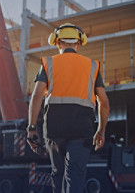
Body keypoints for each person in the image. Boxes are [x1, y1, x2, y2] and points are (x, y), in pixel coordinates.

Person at [27, 23, 110, 193]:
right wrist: (101, 131)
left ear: (58, 43)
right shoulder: (92, 66)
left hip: (54, 127)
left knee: (58, 174)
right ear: (78, 44)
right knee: (75, 176)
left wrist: (31, 128)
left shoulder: (48, 63)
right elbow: (104, 102)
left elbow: (36, 97)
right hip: (82, 128)